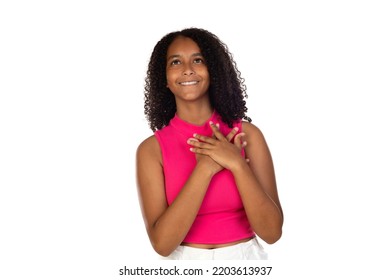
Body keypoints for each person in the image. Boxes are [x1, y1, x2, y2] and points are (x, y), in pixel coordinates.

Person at [136, 28, 283, 260]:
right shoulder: (151, 150)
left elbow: (272, 232)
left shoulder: (247, 136)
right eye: (176, 62)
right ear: (163, 78)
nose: (187, 69)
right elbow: (162, 244)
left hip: (245, 262)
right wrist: (204, 169)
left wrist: (237, 164)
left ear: (212, 70)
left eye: (198, 60)